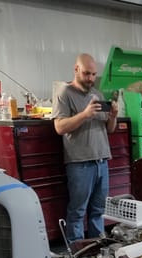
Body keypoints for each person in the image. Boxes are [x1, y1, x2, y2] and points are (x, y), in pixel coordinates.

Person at [53, 53, 119, 243]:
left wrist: (113, 116)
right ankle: (77, 253)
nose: (91, 79)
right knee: (78, 211)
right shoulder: (64, 93)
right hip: (80, 164)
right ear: (76, 69)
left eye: (93, 74)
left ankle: (97, 247)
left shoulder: (97, 95)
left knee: (98, 210)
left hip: (102, 161)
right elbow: (59, 127)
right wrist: (85, 114)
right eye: (87, 74)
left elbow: (109, 129)